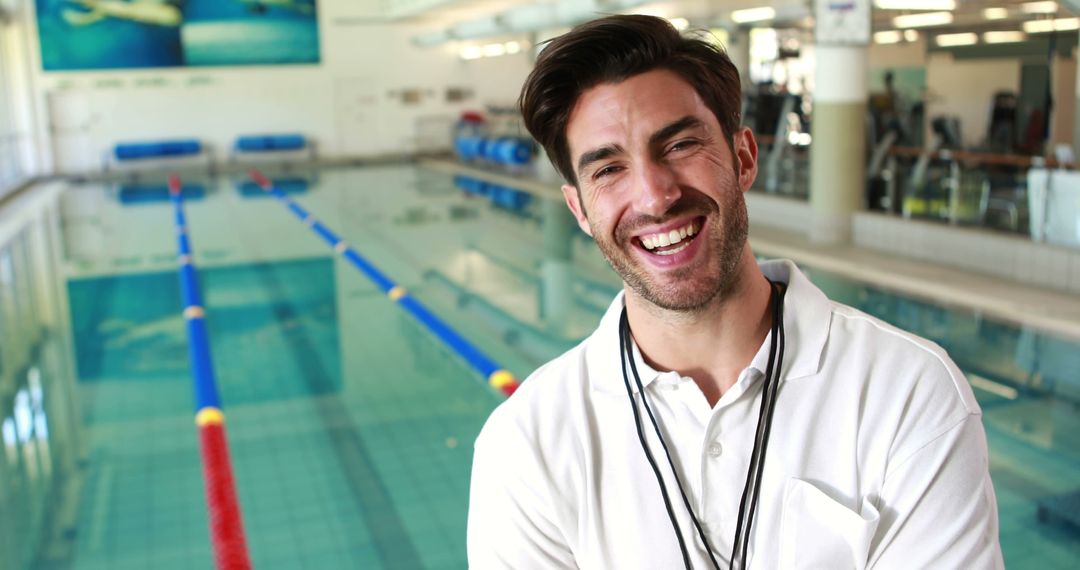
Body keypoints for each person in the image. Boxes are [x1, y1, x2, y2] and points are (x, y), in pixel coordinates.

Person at [467, 15, 1002, 569]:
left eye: (678, 145)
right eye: (608, 169)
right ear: (580, 210)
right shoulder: (527, 443)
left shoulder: (904, 392)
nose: (655, 196)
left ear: (743, 158)